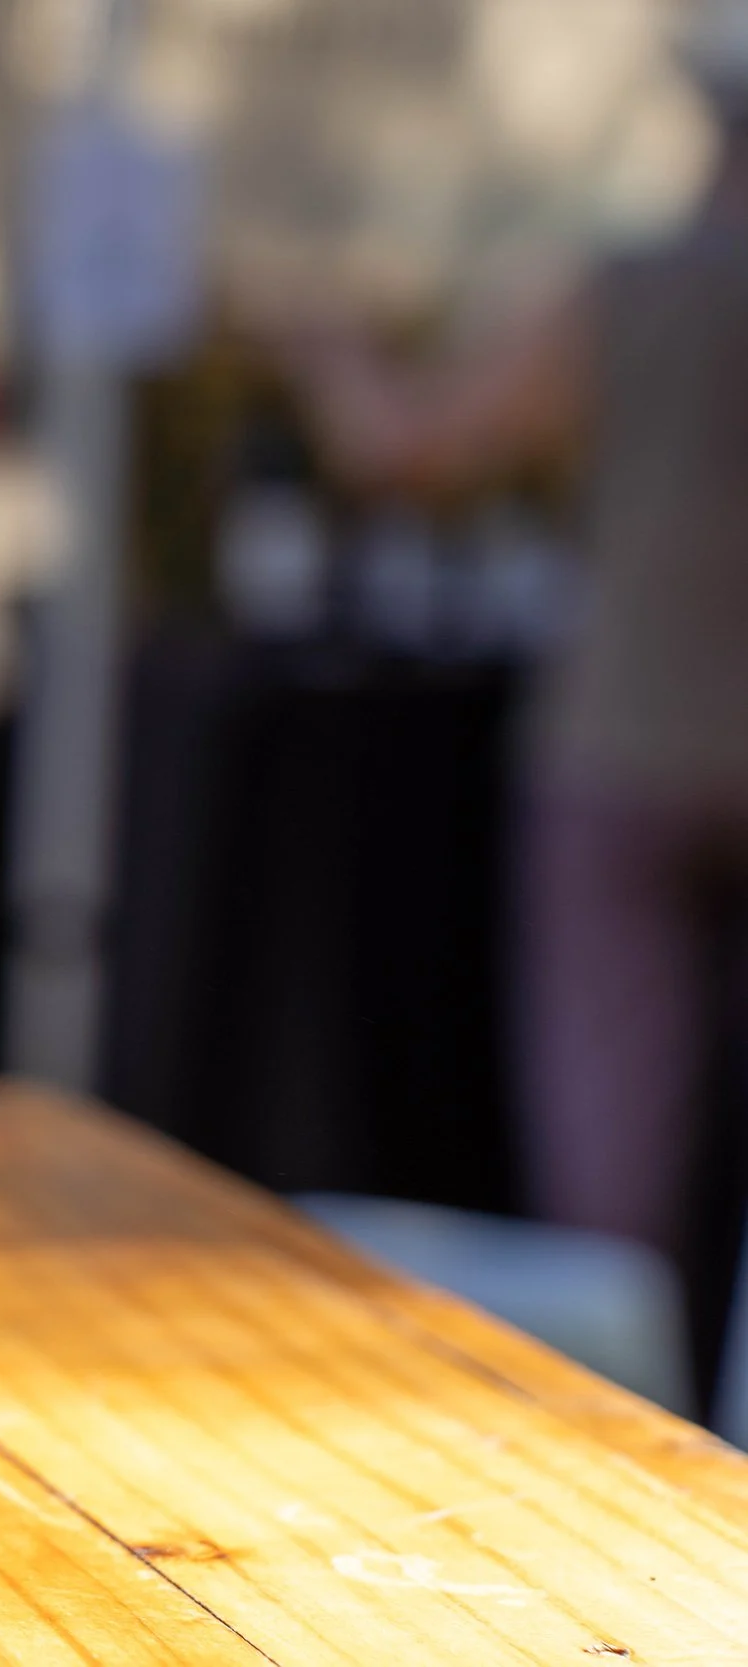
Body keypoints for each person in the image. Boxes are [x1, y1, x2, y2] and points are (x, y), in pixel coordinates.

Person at [271, 6, 748, 1274]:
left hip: (628, 745)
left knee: (613, 1150)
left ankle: (623, 1412)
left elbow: (409, 451)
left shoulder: (633, 289)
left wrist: (323, 351)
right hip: (666, 735)